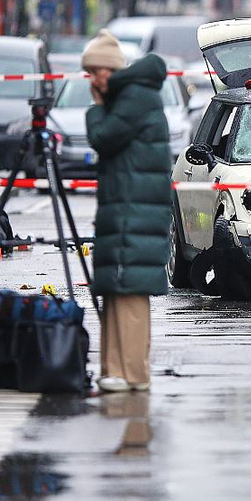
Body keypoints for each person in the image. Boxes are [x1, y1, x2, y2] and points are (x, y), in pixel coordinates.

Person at [82, 30, 171, 393]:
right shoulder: (134, 95)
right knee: (118, 289)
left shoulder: (133, 98)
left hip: (134, 209)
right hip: (128, 205)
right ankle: (115, 370)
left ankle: (131, 372)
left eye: (94, 72)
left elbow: (102, 137)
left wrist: (96, 108)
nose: (92, 80)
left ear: (110, 70)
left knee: (130, 292)